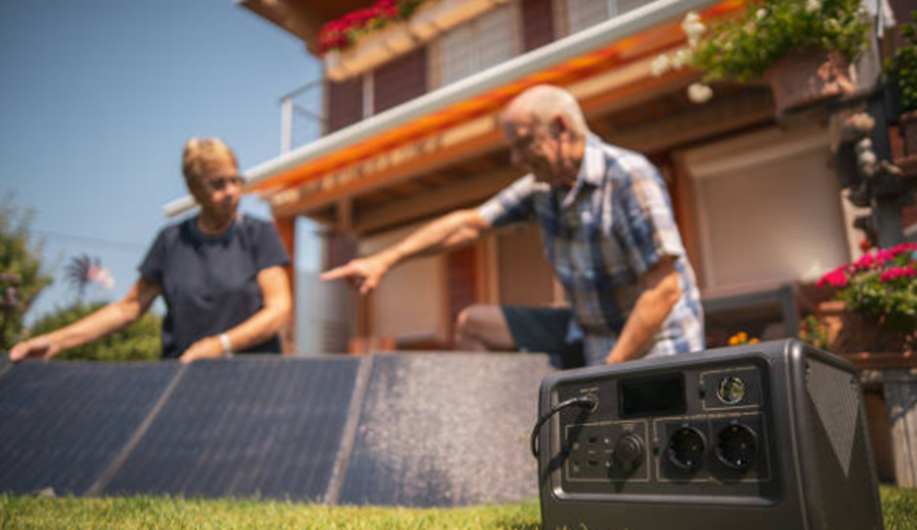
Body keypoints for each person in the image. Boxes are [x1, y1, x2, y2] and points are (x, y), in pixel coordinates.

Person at [322, 85, 704, 368]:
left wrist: (605, 373)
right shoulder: (543, 188)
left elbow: (664, 290)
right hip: (590, 331)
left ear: (560, 128)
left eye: (522, 144)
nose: (515, 158)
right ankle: (482, 443)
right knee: (475, 324)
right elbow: (469, 225)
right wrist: (385, 259)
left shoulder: (628, 177)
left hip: (657, 341)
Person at [10, 138, 292, 363]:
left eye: (235, 179)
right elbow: (129, 308)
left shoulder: (259, 235)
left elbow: (278, 309)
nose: (231, 191)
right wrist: (56, 340)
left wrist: (222, 345)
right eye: (218, 184)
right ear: (194, 189)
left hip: (252, 377)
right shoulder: (171, 242)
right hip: (182, 378)